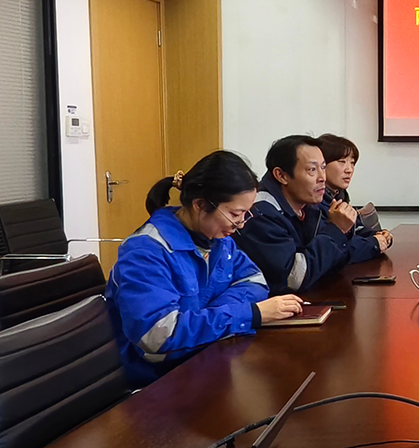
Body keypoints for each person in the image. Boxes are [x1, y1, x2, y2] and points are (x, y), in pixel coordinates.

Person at [105, 151, 303, 387]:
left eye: (245, 213)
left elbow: (255, 280)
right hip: (159, 380)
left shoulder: (218, 239)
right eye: (235, 214)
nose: (240, 224)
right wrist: (248, 314)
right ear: (200, 205)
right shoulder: (145, 251)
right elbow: (158, 335)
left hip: (207, 358)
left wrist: (214, 317)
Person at [233, 135, 391, 295]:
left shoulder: (309, 204)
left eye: (323, 167)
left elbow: (333, 258)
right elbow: (295, 278)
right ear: (282, 175)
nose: (322, 178)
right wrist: (336, 230)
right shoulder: (260, 212)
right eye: (312, 170)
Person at [318, 133, 384, 233]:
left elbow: (354, 230)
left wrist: (379, 235)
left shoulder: (340, 195)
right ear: (322, 164)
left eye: (352, 163)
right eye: (342, 162)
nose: (349, 170)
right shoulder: (314, 202)